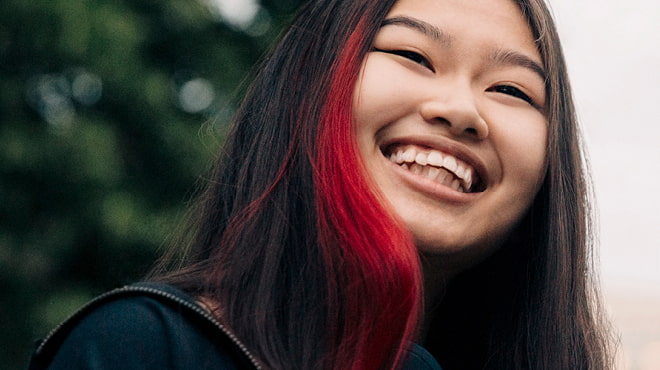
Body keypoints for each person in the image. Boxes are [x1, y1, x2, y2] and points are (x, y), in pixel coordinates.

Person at [30, 0, 615, 368]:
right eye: (412, 53)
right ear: (306, 92)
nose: (461, 110)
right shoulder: (142, 347)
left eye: (512, 90)